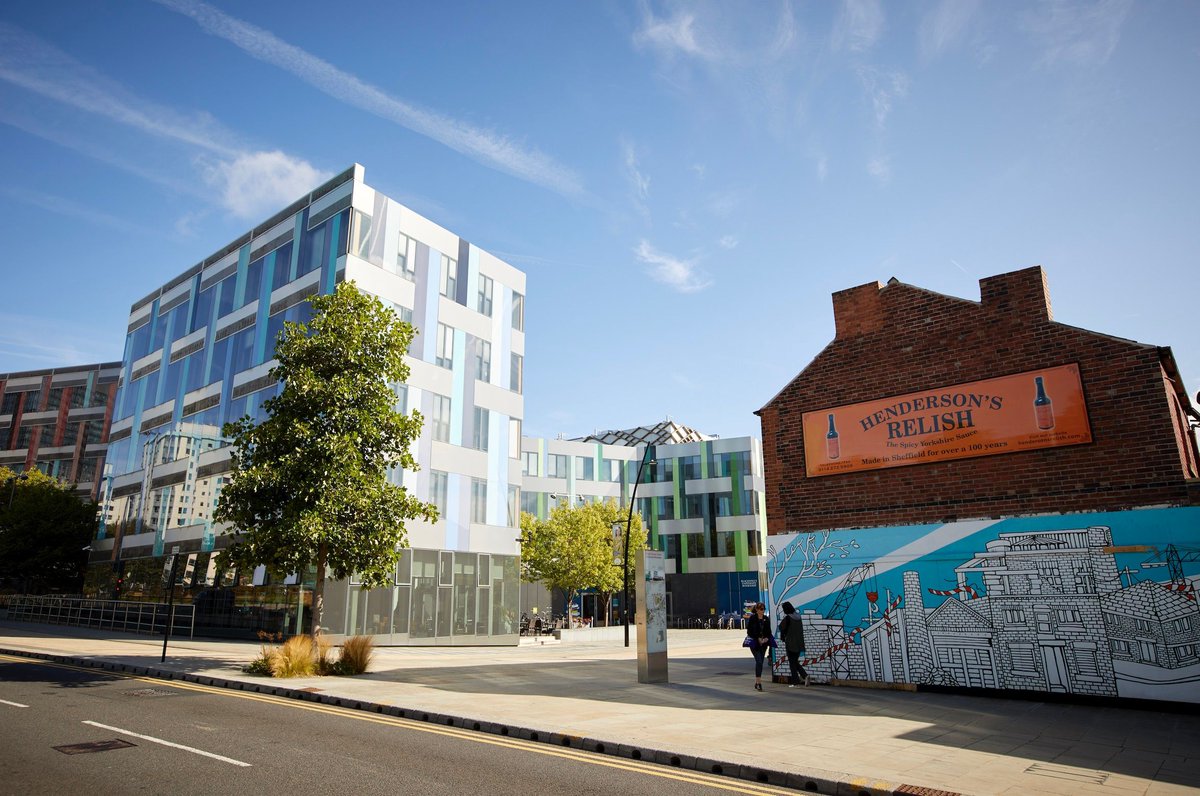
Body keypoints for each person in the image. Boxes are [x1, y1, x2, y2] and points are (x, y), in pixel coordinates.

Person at [778, 601, 810, 687]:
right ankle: (804, 676)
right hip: (799, 643)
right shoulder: (798, 617)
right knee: (794, 661)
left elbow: (781, 627)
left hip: (791, 643)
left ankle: (796, 682)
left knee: (792, 663)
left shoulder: (788, 618)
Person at [745, 602, 772, 691]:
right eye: (761, 609)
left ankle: (757, 682)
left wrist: (766, 638)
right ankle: (759, 682)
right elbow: (749, 631)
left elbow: (769, 631)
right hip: (755, 644)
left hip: (764, 644)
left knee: (760, 662)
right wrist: (758, 638)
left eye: (763, 609)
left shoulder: (766, 619)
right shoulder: (753, 618)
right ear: (756, 610)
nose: (762, 610)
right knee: (759, 661)